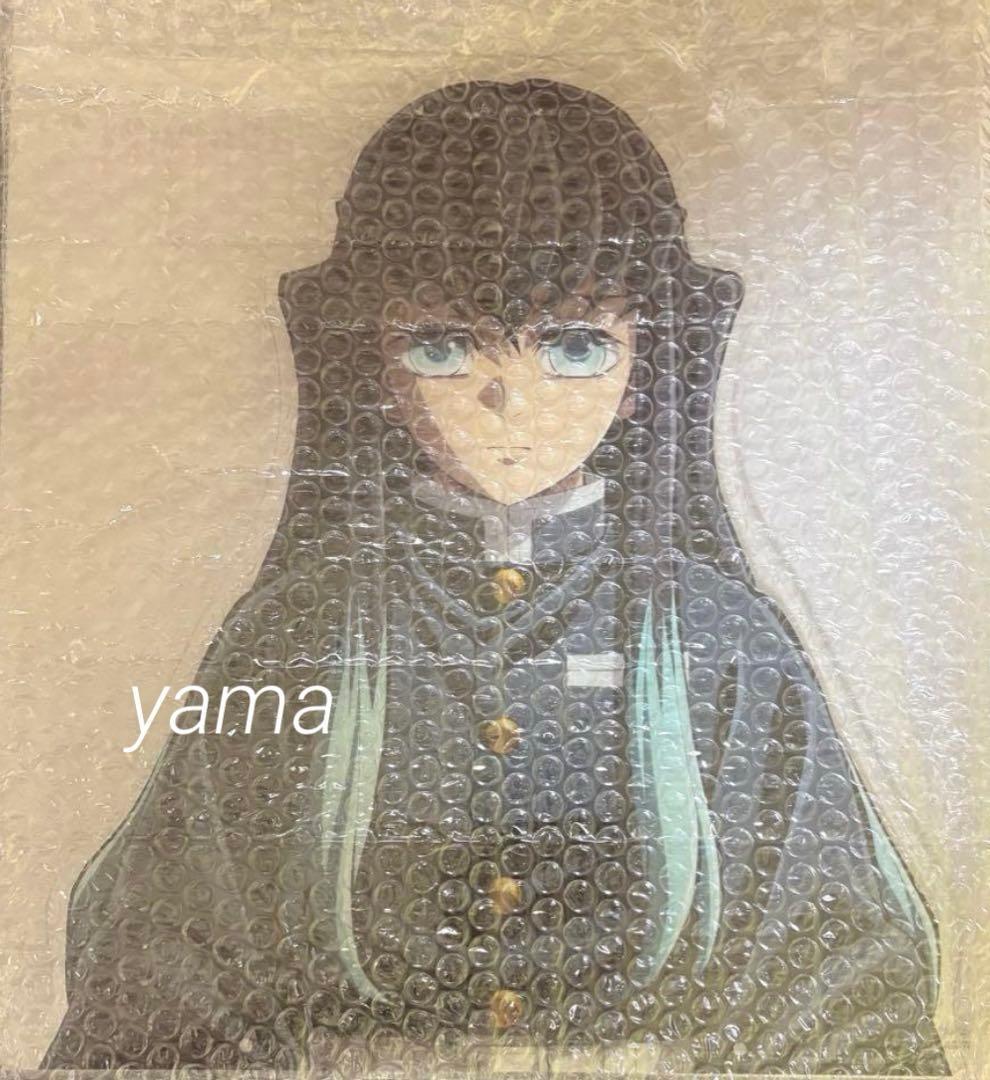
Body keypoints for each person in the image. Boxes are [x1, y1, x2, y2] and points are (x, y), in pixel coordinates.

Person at [42, 77, 950, 1075]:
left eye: (576, 347)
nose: (510, 399)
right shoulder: (293, 641)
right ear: (370, 363)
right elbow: (164, 980)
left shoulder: (723, 646)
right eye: (443, 347)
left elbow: (839, 990)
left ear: (646, 364)